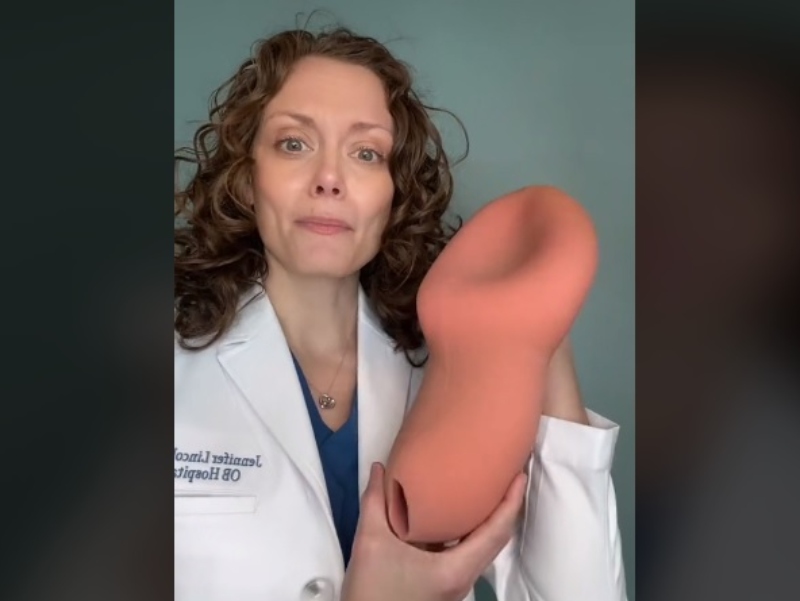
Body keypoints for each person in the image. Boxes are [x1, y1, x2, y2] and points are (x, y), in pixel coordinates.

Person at [174, 25, 628, 601]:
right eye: (294, 144)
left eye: (366, 153)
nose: (329, 179)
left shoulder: (457, 370)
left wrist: (541, 328)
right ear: (246, 178)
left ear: (393, 194)